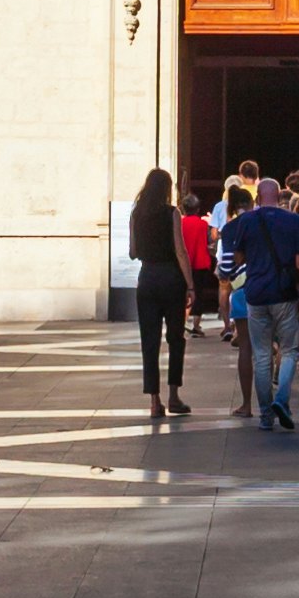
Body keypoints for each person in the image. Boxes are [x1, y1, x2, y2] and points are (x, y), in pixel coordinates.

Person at [221, 168, 299, 431]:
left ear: (258, 197)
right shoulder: (293, 221)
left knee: (261, 355)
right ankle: (282, 398)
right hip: (284, 293)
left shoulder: (247, 221)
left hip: (257, 293)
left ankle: (265, 416)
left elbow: (237, 258)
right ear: (278, 197)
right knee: (290, 350)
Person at [121, 167, 192, 422]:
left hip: (147, 278)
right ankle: (174, 396)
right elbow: (180, 251)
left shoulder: (136, 214)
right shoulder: (172, 213)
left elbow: (132, 251)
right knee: (176, 337)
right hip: (172, 278)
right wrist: (191, 285)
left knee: (149, 341)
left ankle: (154, 401)